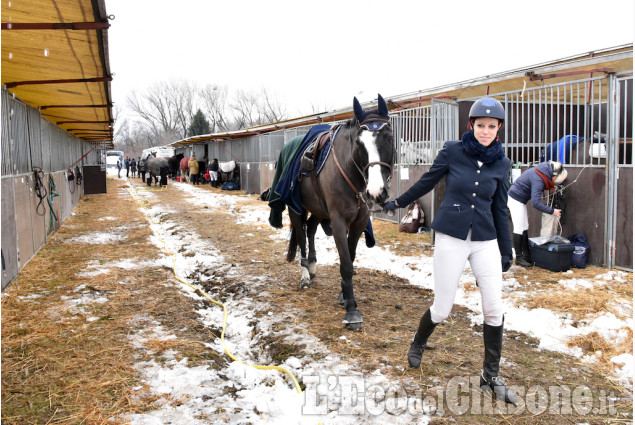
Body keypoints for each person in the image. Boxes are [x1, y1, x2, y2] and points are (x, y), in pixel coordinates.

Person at [382, 98, 516, 405]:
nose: (485, 131)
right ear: (471, 125)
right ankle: (418, 341)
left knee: (494, 307)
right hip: (452, 236)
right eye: (480, 125)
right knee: (442, 308)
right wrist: (399, 202)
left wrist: (506, 249)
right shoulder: (453, 151)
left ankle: (490, 375)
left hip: (485, 239)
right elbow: (428, 181)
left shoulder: (503, 163)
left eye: (491, 126)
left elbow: (500, 208)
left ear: (499, 129)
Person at [507, 161, 567, 267]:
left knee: (525, 226)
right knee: (519, 228)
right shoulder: (539, 179)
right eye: (556, 180)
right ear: (554, 175)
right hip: (515, 199)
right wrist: (552, 211)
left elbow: (544, 184)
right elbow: (535, 203)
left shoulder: (542, 172)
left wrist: (551, 187)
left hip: (519, 199)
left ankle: (526, 254)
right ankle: (519, 257)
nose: (555, 182)